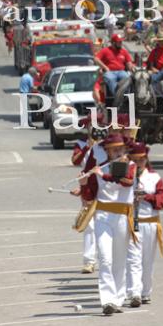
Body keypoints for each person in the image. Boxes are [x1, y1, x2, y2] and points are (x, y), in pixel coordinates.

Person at [79, 134, 137, 315]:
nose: (118, 152)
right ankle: (108, 301)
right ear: (107, 151)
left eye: (120, 149)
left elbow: (126, 181)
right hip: (103, 215)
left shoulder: (130, 166)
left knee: (119, 260)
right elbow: (90, 195)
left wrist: (102, 174)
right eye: (114, 149)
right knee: (105, 258)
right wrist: (83, 184)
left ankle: (118, 298)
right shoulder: (99, 168)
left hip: (122, 215)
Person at [126, 142, 163, 307]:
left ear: (146, 159)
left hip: (150, 222)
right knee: (133, 259)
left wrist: (146, 197)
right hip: (132, 222)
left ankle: (145, 292)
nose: (138, 163)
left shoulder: (154, 177)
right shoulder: (126, 177)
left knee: (147, 260)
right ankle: (134, 293)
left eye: (141, 160)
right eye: (135, 160)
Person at [71, 117, 99, 274]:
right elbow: (75, 161)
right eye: (90, 125)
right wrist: (86, 149)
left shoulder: (106, 145)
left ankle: (107, 259)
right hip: (87, 186)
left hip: (104, 188)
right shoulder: (82, 143)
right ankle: (89, 261)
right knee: (89, 225)